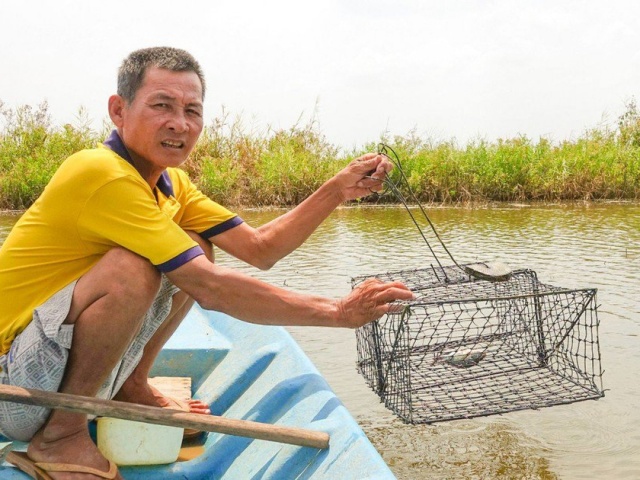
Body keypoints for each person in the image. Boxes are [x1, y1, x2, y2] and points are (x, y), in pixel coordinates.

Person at [0, 46, 414, 479]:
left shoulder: (170, 182)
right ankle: (61, 436)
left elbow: (260, 248)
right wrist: (337, 312)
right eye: (162, 105)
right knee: (133, 270)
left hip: (49, 380)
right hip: (16, 391)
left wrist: (336, 190)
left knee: (197, 243)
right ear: (118, 111)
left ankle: (131, 385)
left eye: (191, 110)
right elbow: (211, 287)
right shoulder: (99, 172)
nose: (179, 123)